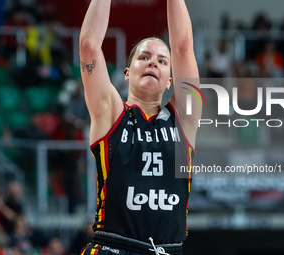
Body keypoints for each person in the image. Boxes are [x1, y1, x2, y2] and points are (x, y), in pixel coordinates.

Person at [79, 0, 201, 254]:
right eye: (143, 57)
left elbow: (183, 49)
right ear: (126, 73)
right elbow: (89, 47)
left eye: (162, 61)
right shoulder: (110, 113)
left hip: (168, 249)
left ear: (170, 80)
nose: (152, 63)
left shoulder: (184, 119)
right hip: (113, 247)